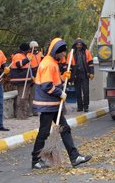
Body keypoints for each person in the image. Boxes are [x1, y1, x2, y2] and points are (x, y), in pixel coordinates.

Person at [31, 37, 92, 169]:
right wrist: (61, 93)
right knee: (44, 132)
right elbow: (47, 86)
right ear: (55, 51)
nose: (64, 55)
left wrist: (64, 78)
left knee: (65, 129)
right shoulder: (48, 64)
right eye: (62, 52)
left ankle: (74, 157)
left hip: (52, 104)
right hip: (47, 104)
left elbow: (54, 82)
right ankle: (35, 160)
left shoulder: (52, 61)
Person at [67, 38, 94, 112]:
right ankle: (80, 107)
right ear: (75, 45)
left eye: (80, 44)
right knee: (78, 92)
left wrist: (91, 73)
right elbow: (68, 66)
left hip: (85, 74)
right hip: (76, 75)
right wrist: (70, 77)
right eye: (77, 44)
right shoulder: (71, 54)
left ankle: (86, 106)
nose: (79, 46)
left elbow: (90, 63)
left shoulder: (87, 52)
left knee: (86, 92)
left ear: (82, 45)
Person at [10, 43, 33, 120]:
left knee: (25, 97)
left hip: (25, 79)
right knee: (21, 97)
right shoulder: (18, 55)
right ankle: (20, 115)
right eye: (28, 50)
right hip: (20, 79)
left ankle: (24, 114)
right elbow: (19, 64)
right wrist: (27, 59)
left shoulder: (24, 56)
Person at [29, 41, 42, 116]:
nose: (35, 49)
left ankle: (36, 110)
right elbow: (28, 68)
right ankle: (32, 111)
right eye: (34, 47)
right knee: (32, 95)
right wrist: (31, 76)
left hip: (39, 75)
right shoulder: (29, 55)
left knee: (37, 95)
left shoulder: (40, 54)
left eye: (36, 47)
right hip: (32, 76)